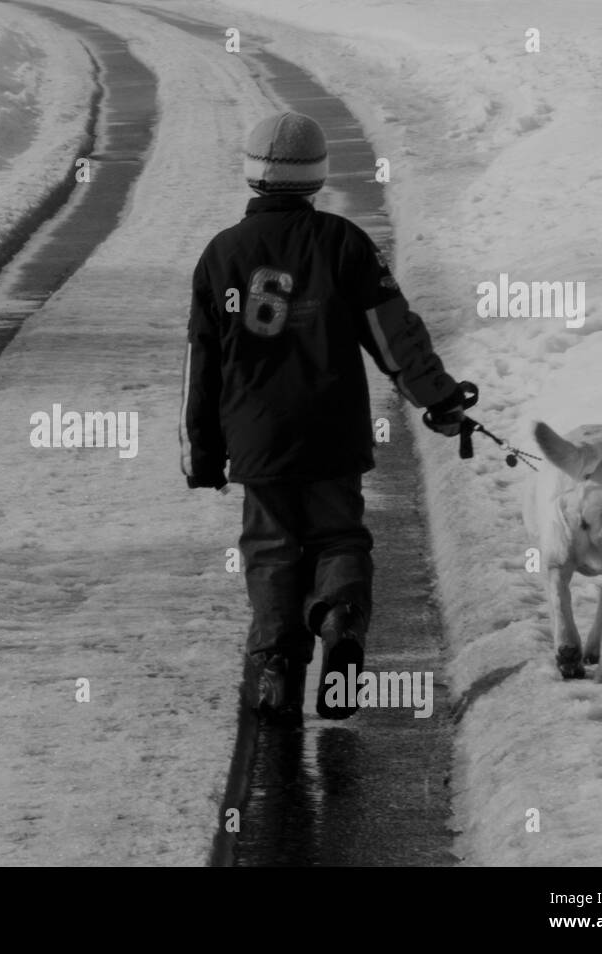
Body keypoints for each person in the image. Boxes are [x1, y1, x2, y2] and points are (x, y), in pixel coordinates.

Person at [179, 111, 471, 720]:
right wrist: (438, 399)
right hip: (333, 429)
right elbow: (394, 336)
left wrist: (201, 452)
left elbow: (199, 364)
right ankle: (340, 618)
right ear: (317, 177)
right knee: (338, 535)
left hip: (257, 437)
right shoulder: (344, 243)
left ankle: (278, 665)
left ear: (253, 175)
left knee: (271, 545)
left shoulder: (221, 254)